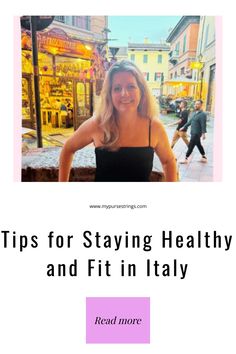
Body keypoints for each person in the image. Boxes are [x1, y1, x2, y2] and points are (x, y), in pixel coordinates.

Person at [59, 60, 177, 182]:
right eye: (117, 88)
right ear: (109, 94)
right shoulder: (97, 124)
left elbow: (168, 161)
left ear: (141, 91)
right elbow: (68, 148)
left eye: (131, 86)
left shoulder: (153, 127)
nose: (124, 93)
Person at [179, 99, 207, 164]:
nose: (196, 105)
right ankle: (204, 157)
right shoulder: (194, 113)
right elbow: (190, 121)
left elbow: (203, 124)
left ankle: (186, 158)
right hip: (193, 132)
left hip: (197, 133)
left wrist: (203, 134)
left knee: (191, 145)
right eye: (195, 104)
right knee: (198, 145)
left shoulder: (203, 114)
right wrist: (183, 127)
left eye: (197, 104)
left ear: (201, 105)